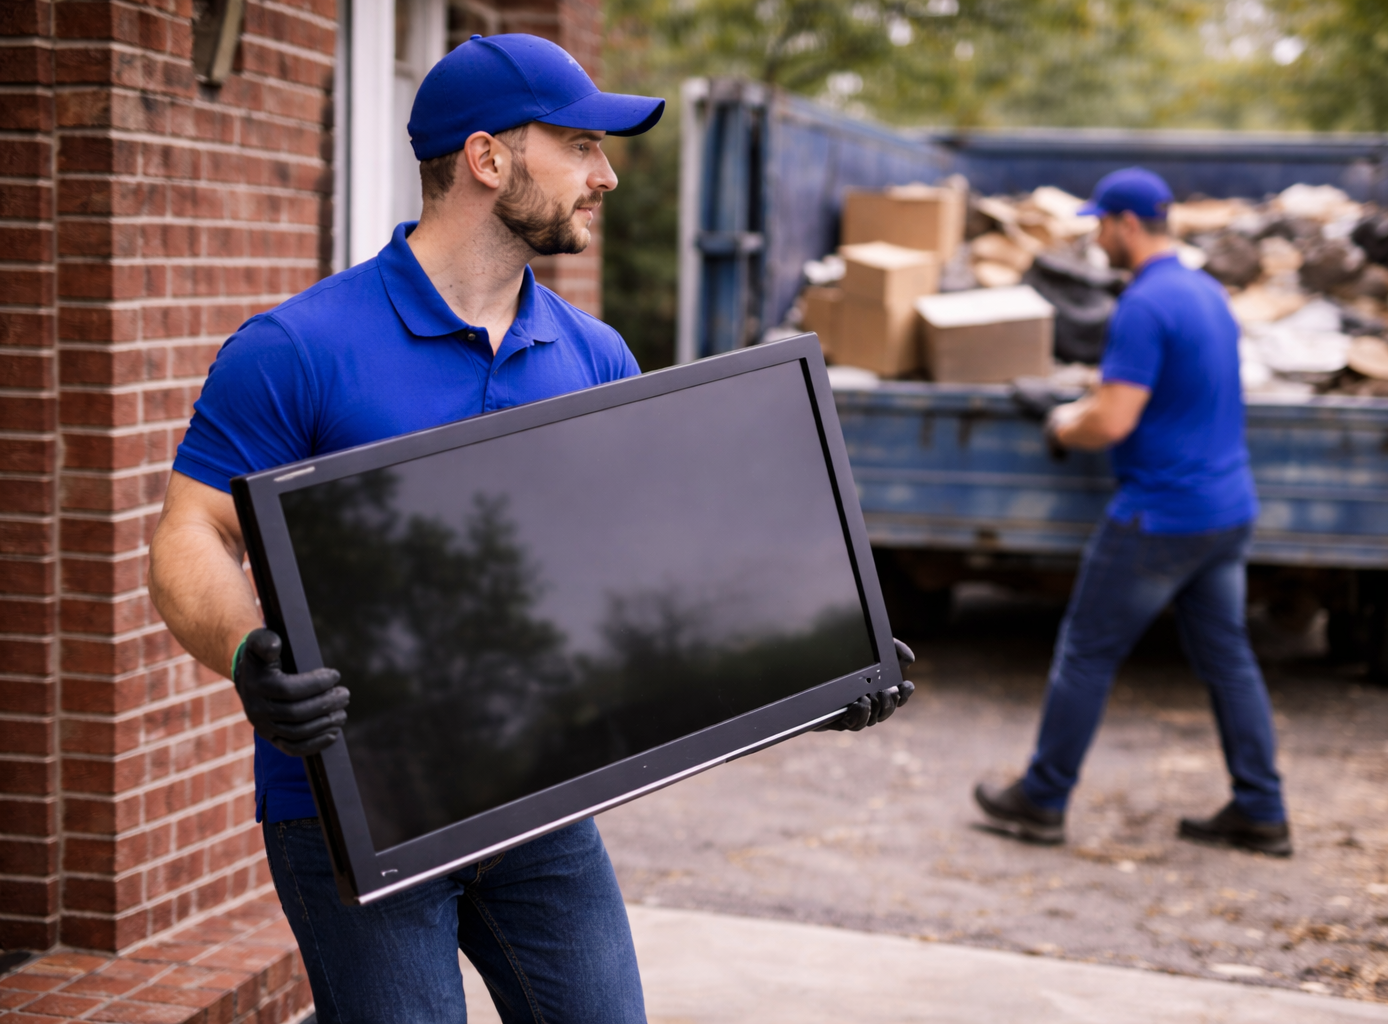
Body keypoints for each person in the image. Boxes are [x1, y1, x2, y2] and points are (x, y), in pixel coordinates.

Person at [149, 34, 910, 1023]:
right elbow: (191, 535)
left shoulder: (594, 357)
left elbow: (653, 566)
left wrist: (813, 675)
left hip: (538, 803)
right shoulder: (297, 349)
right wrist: (248, 653)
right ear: (487, 158)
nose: (607, 175)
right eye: (581, 145)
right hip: (355, 811)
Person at [972, 168, 1291, 858]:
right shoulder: (1206, 292)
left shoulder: (1143, 305)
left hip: (1160, 517)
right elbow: (1172, 389)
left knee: (1086, 652)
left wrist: (1064, 423)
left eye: (1101, 226)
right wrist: (1097, 395)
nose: (1096, 240)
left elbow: (1113, 421)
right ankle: (1261, 809)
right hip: (1226, 510)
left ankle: (1041, 800)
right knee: (1229, 661)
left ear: (1124, 224)